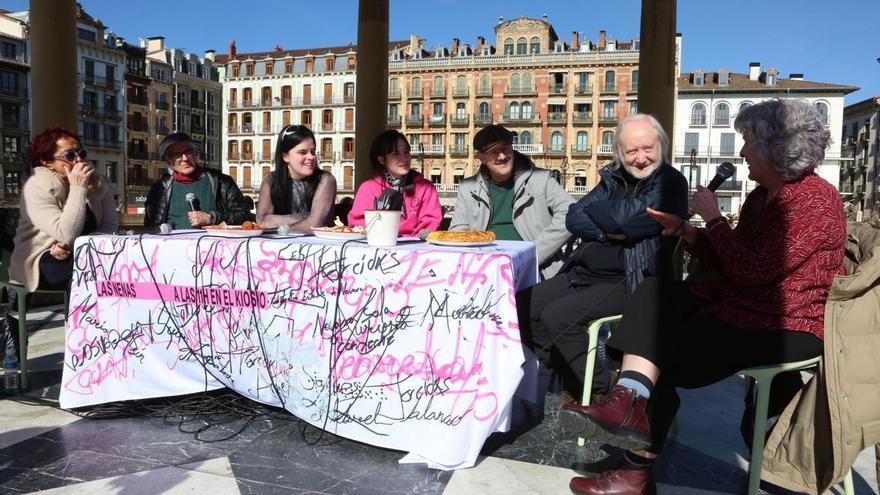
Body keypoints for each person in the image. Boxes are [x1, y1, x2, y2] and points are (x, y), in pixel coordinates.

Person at [560, 99, 846, 495]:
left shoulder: (813, 201)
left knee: (662, 354)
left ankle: (633, 466)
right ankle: (630, 399)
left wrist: (712, 218)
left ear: (776, 149)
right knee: (655, 292)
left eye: (747, 142)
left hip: (785, 322)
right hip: (743, 304)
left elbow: (750, 270)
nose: (742, 152)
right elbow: (736, 263)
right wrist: (688, 232)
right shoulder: (763, 198)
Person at [517, 114, 688, 402]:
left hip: (630, 279)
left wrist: (608, 216)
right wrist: (611, 229)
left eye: (648, 148)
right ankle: (580, 374)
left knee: (558, 317)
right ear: (621, 154)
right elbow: (574, 216)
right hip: (583, 272)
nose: (642, 158)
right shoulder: (613, 177)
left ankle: (598, 389)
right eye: (632, 151)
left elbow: (629, 220)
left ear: (662, 145)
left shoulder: (671, 181)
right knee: (521, 307)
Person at [450, 124, 573, 277]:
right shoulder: (467, 188)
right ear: (481, 157)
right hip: (486, 268)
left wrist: (532, 253)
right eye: (494, 152)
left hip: (536, 269)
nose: (502, 156)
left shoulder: (542, 180)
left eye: (506, 149)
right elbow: (457, 232)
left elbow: (571, 213)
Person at [11, 128, 118, 290]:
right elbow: (65, 233)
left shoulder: (98, 182)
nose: (78, 160)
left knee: (117, 262)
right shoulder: (36, 187)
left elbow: (109, 225)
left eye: (81, 153)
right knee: (88, 270)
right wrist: (78, 188)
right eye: (70, 155)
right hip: (41, 258)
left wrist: (79, 246)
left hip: (84, 252)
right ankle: (82, 315)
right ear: (47, 161)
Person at [144, 132, 253, 229]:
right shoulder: (159, 189)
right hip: (173, 249)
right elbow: (151, 227)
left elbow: (244, 216)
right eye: (177, 154)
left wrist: (212, 218)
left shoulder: (222, 182)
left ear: (196, 153)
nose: (185, 158)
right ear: (169, 161)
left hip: (214, 248)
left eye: (188, 152)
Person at [348, 130, 441, 236]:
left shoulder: (426, 188)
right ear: (382, 160)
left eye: (406, 152)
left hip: (415, 248)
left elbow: (431, 226)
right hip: (376, 246)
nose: (404, 158)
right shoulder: (367, 188)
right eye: (396, 154)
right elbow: (356, 225)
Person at [257, 125, 336, 231]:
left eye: (312, 152)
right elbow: (262, 221)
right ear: (285, 156)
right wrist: (301, 217)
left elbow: (314, 225)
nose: (311, 157)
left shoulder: (325, 180)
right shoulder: (270, 180)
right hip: (277, 245)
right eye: (303, 152)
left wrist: (279, 226)